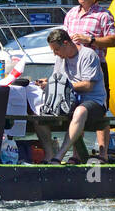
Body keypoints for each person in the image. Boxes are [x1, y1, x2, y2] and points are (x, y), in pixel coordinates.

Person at [63, 0, 115, 159]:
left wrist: (90, 40)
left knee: (100, 111)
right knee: (75, 107)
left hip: (97, 67)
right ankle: (77, 154)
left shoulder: (103, 15)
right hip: (74, 66)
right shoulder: (70, 14)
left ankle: (103, 153)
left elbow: (114, 40)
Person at [34, 28, 108, 164]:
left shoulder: (88, 55)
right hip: (68, 101)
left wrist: (64, 85)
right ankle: (50, 155)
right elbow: (58, 79)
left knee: (80, 111)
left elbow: (88, 85)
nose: (55, 54)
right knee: (38, 112)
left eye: (56, 50)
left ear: (66, 43)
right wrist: (47, 82)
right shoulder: (60, 58)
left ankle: (60, 156)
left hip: (93, 101)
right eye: (53, 51)